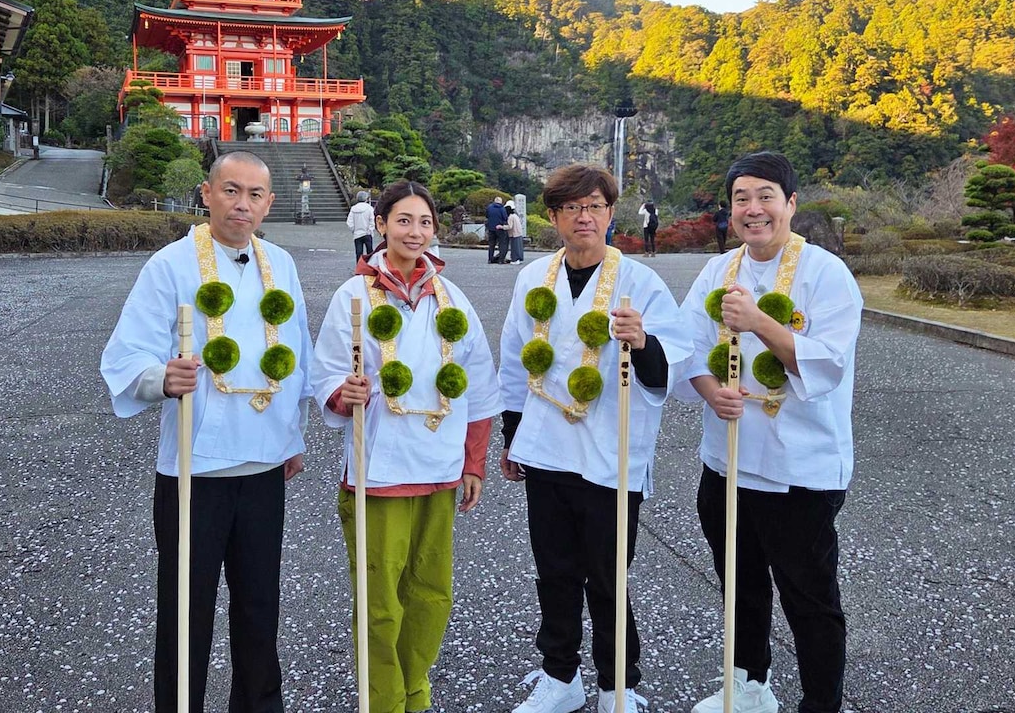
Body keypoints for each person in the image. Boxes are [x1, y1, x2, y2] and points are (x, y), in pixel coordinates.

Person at [100, 151, 314, 713]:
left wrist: (291, 438)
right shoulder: (170, 265)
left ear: (270, 203)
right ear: (206, 193)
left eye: (256, 195)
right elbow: (129, 353)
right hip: (194, 469)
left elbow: (297, 356)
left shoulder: (282, 265)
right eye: (231, 191)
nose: (242, 205)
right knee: (186, 611)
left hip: (264, 465)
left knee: (259, 607)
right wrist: (160, 377)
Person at [498, 164, 694, 713]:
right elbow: (516, 359)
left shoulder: (639, 282)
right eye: (572, 208)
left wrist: (645, 341)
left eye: (595, 206)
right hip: (545, 447)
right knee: (555, 571)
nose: (585, 217)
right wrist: (512, 435)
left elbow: (672, 363)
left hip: (610, 451)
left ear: (611, 213)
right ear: (554, 217)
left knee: (608, 578)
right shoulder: (532, 277)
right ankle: (560, 677)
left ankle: (617, 686)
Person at [673, 151, 862, 713]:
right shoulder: (719, 270)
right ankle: (749, 686)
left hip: (799, 468)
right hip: (726, 460)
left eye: (765, 196)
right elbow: (687, 348)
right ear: (730, 210)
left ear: (790, 204)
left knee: (810, 598)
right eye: (741, 199)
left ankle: (820, 703)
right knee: (740, 585)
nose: (753, 210)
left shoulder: (827, 274)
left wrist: (759, 321)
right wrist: (710, 390)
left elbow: (827, 364)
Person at [312, 179, 501, 713]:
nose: (414, 232)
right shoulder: (353, 296)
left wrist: (473, 463)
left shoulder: (451, 298)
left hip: (440, 467)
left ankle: (414, 691)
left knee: (431, 594)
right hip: (379, 471)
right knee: (380, 603)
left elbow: (480, 386)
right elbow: (324, 373)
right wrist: (342, 393)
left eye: (424, 222)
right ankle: (383, 702)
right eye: (403, 221)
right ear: (381, 225)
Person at [347, 190, 376, 264]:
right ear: (366, 198)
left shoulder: (353, 208)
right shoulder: (369, 208)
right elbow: (372, 220)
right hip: (367, 233)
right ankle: (370, 265)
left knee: (358, 252)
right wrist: (370, 229)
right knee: (370, 251)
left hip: (357, 233)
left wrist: (353, 229)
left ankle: (359, 267)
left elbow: (349, 222)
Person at [487, 196, 510, 264]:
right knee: (502, 244)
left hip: (491, 228)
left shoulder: (489, 207)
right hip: (500, 228)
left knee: (491, 244)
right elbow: (505, 218)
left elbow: (487, 216)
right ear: (500, 202)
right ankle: (501, 260)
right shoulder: (502, 208)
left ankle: (490, 259)